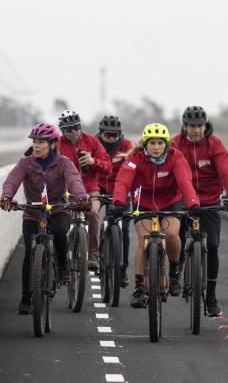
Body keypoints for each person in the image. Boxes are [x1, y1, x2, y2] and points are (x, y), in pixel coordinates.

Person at [0, 123, 89, 315]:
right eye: (35, 142)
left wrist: (81, 198)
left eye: (41, 142)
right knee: (30, 253)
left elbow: (74, 180)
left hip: (58, 209)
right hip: (33, 211)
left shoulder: (64, 163)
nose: (37, 146)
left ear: (53, 144)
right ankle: (25, 299)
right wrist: (6, 197)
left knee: (60, 232)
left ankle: (63, 266)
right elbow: (12, 180)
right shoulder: (26, 163)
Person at [112, 123, 200, 309]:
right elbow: (122, 181)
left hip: (170, 202)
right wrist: (119, 202)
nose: (156, 147)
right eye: (152, 143)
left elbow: (185, 181)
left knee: (171, 235)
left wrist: (193, 203)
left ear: (166, 144)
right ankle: (139, 288)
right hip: (142, 204)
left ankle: (175, 272)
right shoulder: (135, 158)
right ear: (145, 144)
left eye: (160, 143)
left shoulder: (176, 157)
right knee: (145, 239)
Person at [170, 105, 228, 317]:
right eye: (190, 126)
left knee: (212, 245)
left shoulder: (215, 144)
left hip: (210, 202)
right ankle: (176, 269)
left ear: (205, 126)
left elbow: (227, 172)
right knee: (177, 238)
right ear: (184, 126)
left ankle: (210, 297)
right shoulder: (174, 144)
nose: (195, 130)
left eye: (199, 126)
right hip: (182, 202)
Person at [57, 109, 111, 271]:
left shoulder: (92, 142)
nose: (73, 132)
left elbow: (108, 167)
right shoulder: (57, 144)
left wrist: (93, 161)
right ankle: (56, 259)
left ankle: (93, 255)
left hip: (90, 190)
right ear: (62, 130)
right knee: (57, 222)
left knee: (93, 214)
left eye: (76, 127)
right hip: (65, 192)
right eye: (68, 129)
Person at [96, 114, 134, 288]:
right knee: (92, 217)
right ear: (100, 133)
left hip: (121, 190)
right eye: (108, 135)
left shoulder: (126, 145)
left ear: (121, 134)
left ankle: (122, 268)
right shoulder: (93, 144)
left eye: (115, 135)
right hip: (98, 189)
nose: (112, 138)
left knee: (124, 228)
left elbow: (134, 166)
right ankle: (94, 255)